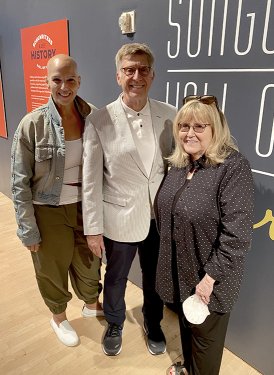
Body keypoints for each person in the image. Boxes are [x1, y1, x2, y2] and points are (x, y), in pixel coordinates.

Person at [82, 43, 177, 356]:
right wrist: (93, 228)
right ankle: (115, 322)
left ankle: (153, 321)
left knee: (155, 276)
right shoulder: (98, 121)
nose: (136, 75)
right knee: (117, 277)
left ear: (152, 74)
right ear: (118, 75)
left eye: (143, 69)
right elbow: (92, 181)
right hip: (120, 217)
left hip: (159, 218)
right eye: (129, 70)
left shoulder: (171, 115)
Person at [155, 95, 254, 375]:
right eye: (184, 126)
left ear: (216, 129)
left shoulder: (233, 167)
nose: (189, 133)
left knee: (205, 349)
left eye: (200, 126)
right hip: (179, 273)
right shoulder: (179, 163)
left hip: (209, 282)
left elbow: (237, 236)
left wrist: (209, 279)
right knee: (186, 331)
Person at [11, 54, 103, 347]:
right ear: (47, 81)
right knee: (51, 267)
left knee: (90, 261)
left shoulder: (94, 117)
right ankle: (59, 317)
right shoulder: (32, 124)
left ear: (79, 80)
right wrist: (28, 229)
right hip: (47, 210)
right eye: (57, 80)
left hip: (85, 207)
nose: (64, 86)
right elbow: (19, 183)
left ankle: (91, 303)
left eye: (70, 79)